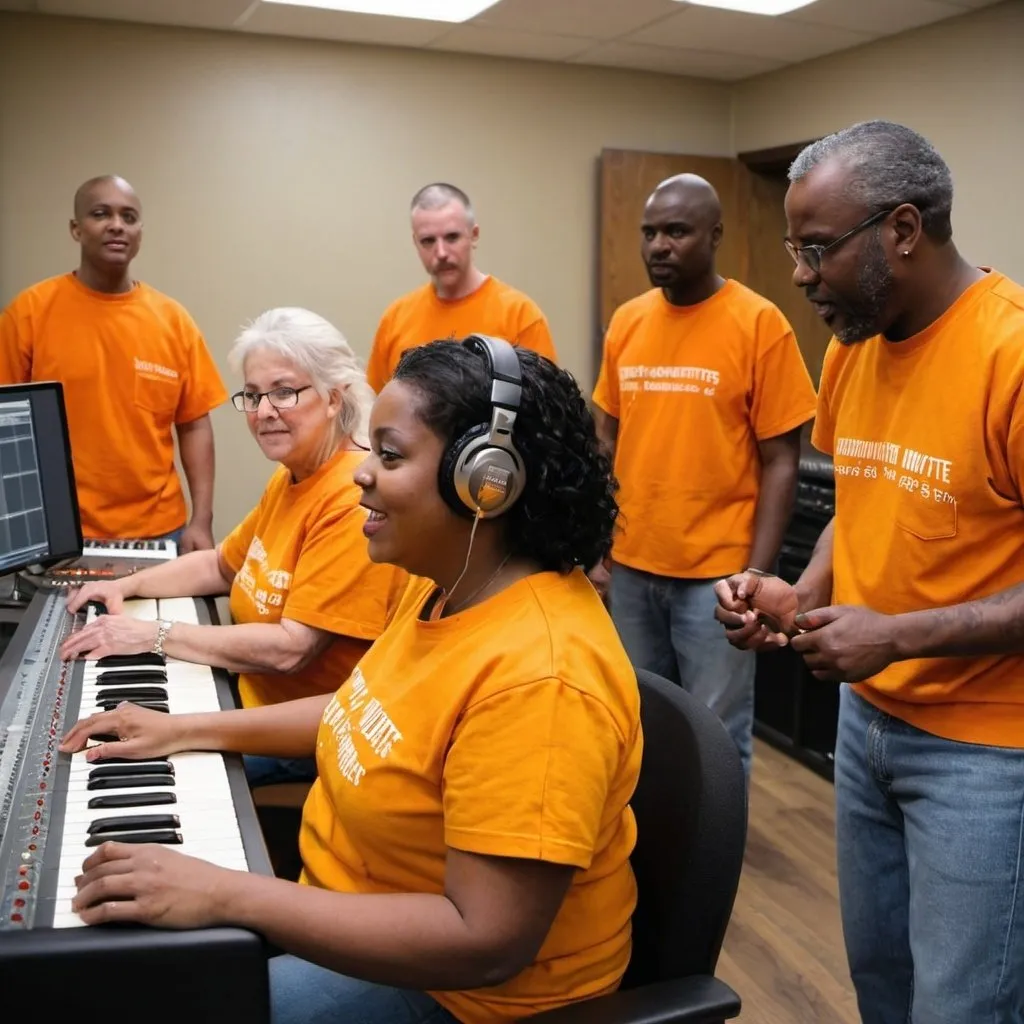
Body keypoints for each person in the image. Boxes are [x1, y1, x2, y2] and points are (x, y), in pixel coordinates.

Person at [59, 337, 641, 1024]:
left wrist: (228, 896)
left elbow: (483, 941)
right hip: (350, 912)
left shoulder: (541, 678)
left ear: (486, 482)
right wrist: (183, 730)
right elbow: (361, 707)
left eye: (389, 456)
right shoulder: (443, 584)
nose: (361, 472)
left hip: (464, 995)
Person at [714, 120, 1024, 1023]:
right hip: (870, 726)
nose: (801, 274)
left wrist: (896, 635)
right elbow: (864, 505)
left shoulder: (1007, 355)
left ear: (901, 230)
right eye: (792, 249)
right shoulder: (852, 347)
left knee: (964, 1006)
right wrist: (802, 596)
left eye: (817, 249)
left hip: (985, 751)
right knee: (882, 984)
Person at [61, 307, 408, 788]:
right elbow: (222, 566)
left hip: (296, 735)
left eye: (284, 392)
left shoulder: (351, 499)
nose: (264, 412)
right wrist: (125, 586)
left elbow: (292, 650)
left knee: (115, 764)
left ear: (333, 399)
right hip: (241, 694)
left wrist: (152, 635)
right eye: (252, 395)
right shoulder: (293, 476)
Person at [592, 172, 817, 777]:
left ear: (714, 235)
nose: (659, 246)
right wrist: (596, 548)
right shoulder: (628, 322)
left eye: (676, 231)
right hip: (634, 568)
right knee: (642, 724)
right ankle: (656, 861)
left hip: (717, 577)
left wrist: (757, 575)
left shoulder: (758, 323)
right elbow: (604, 441)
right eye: (649, 233)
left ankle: (710, 869)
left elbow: (782, 460)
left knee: (716, 737)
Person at [0, 174, 226, 550]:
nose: (116, 225)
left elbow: (194, 427)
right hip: (58, 532)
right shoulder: (29, 313)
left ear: (139, 232)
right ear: (76, 229)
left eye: (129, 217)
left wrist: (201, 520)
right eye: (101, 214)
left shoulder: (173, 320)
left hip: (158, 530)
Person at [366, 183, 558, 392]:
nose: (441, 253)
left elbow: (546, 411)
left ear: (473, 235)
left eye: (452, 237)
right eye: (428, 241)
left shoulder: (520, 316)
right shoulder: (395, 319)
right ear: (416, 243)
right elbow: (374, 407)